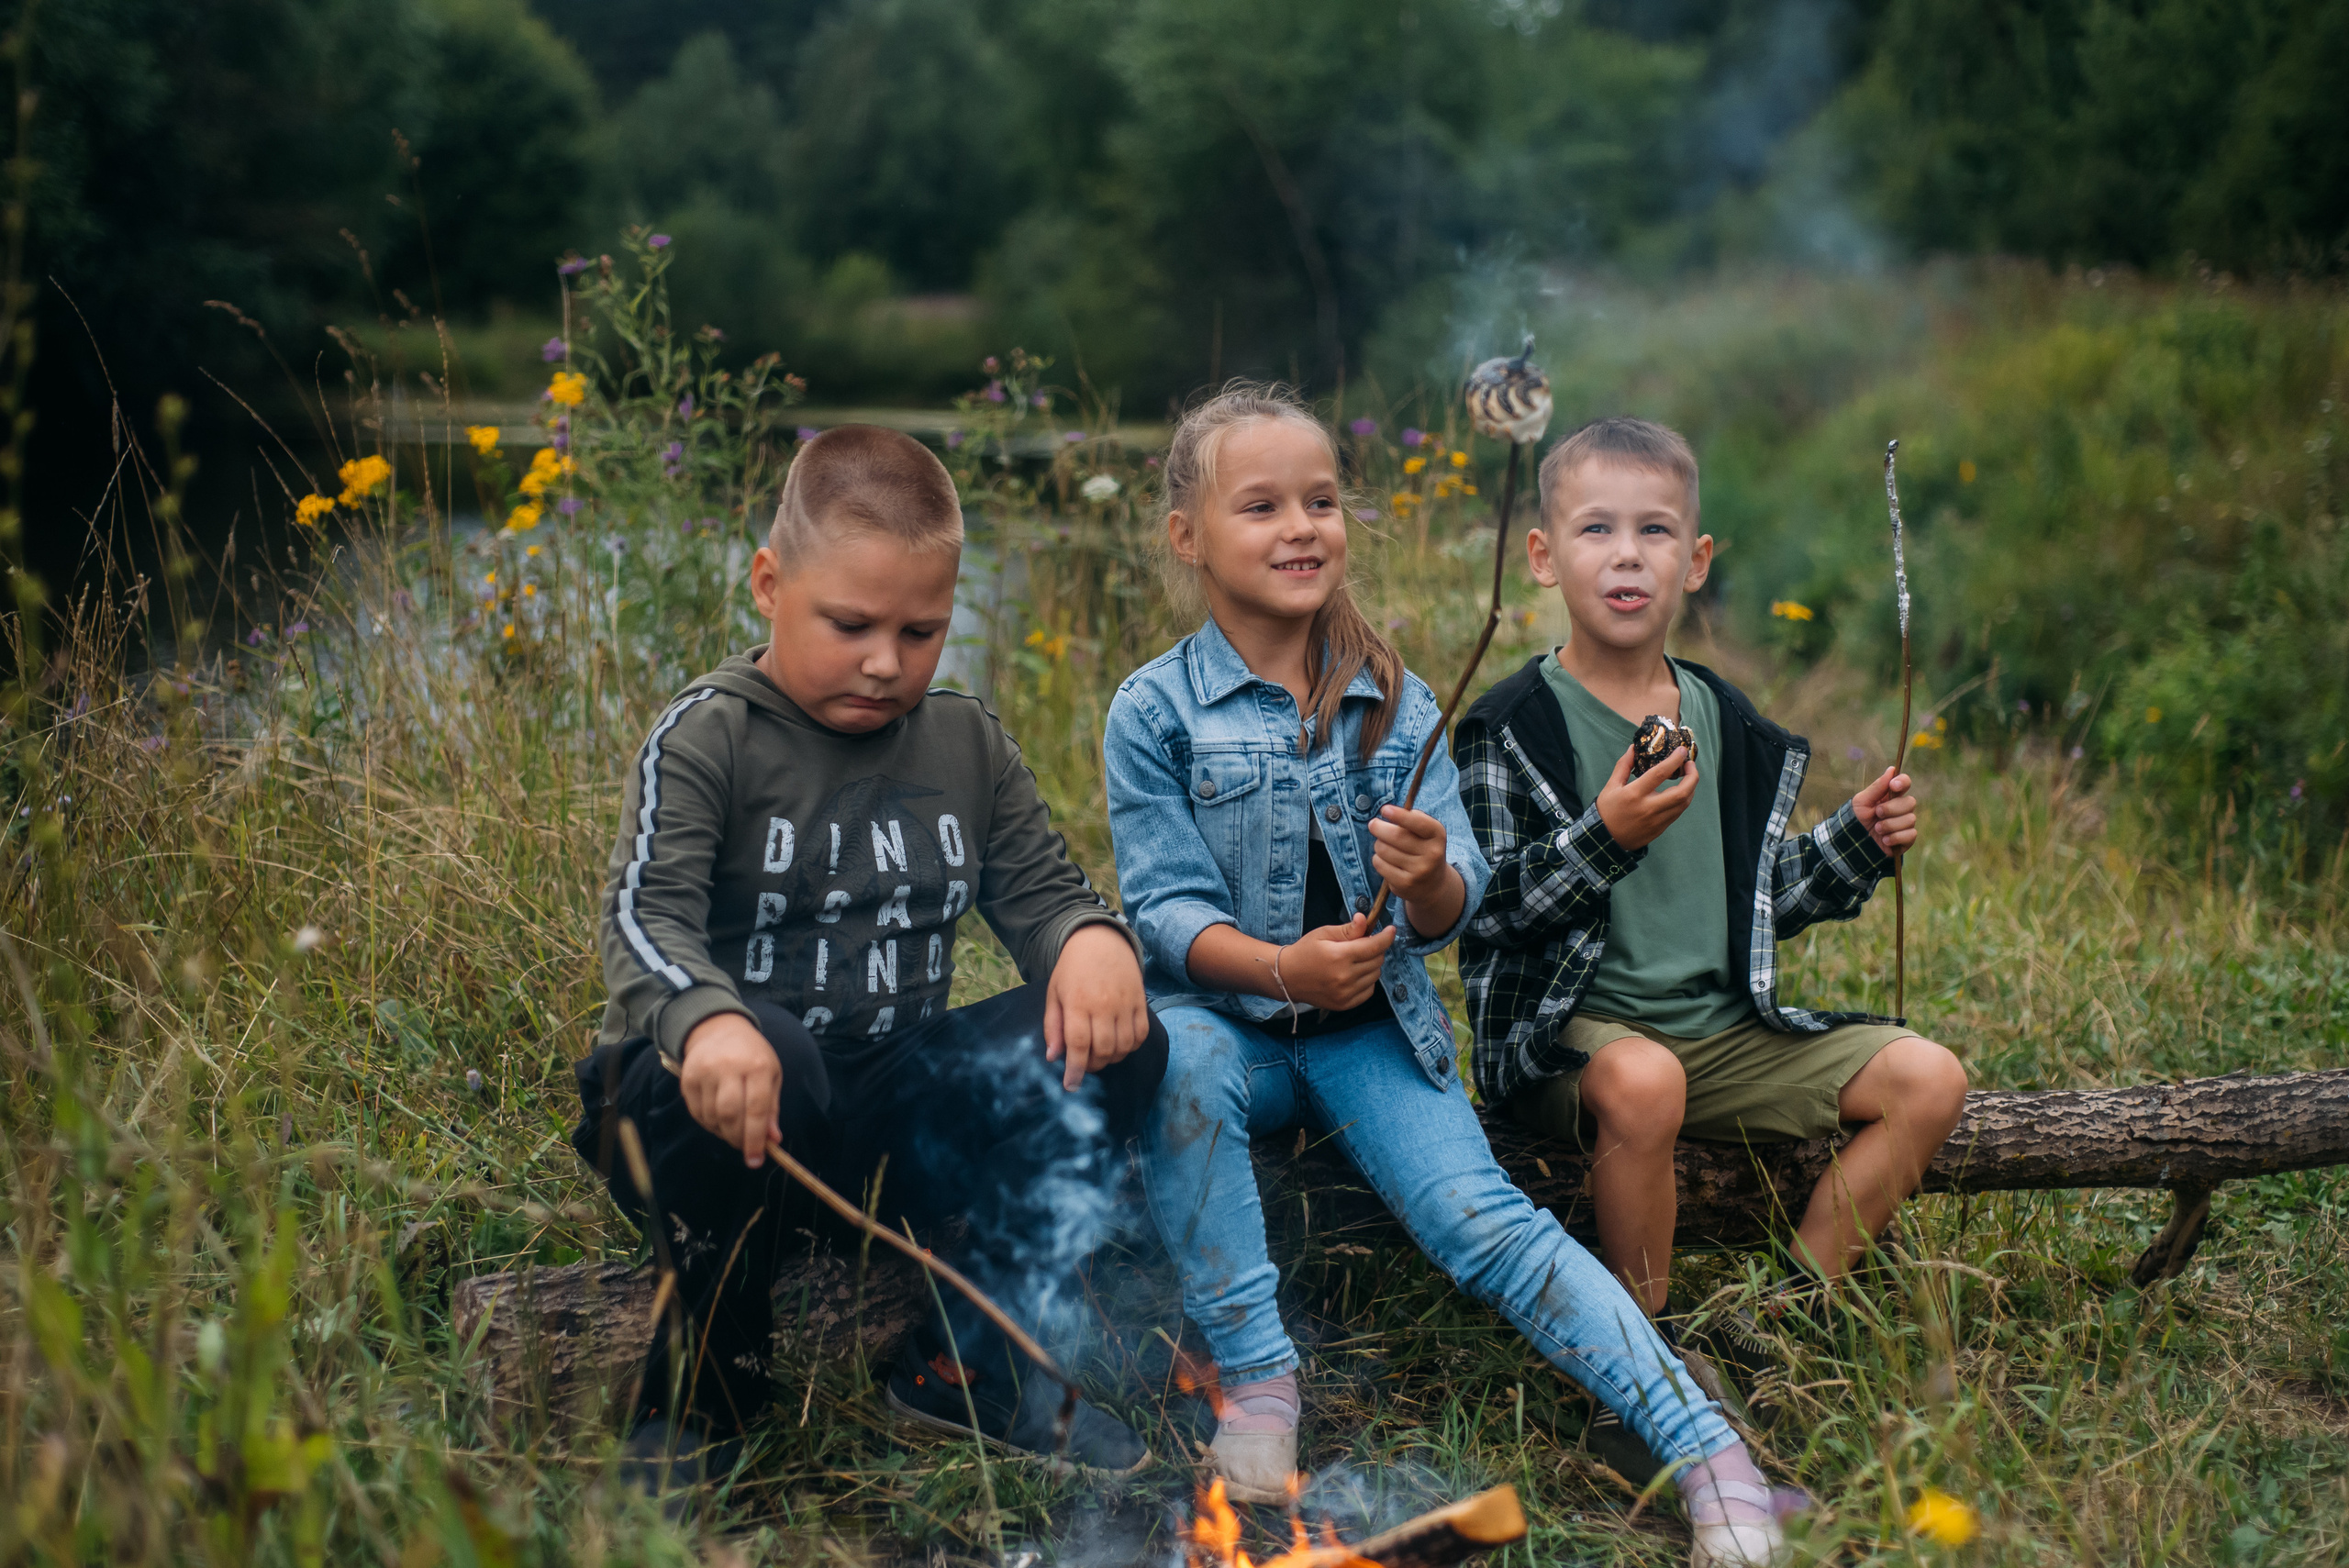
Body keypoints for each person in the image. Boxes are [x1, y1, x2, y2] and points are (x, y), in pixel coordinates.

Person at [1106, 385, 1789, 1568]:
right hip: (1233, 1023)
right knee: (1187, 1063)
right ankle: (1260, 1373)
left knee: (1484, 1222)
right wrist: (1281, 966)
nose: (1300, 525)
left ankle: (1705, 1446)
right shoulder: (1154, 708)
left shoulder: (1394, 697)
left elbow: (1456, 898)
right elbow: (1162, 912)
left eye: (1319, 500)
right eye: (1260, 504)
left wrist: (1423, 877)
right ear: (1187, 536)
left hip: (1373, 1035)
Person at [571, 424, 1167, 1487]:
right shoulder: (710, 735)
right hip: (694, 1110)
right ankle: (706, 1393)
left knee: (1119, 1034)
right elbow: (639, 917)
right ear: (768, 582)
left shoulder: (963, 741)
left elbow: (1043, 892)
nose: (885, 661)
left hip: (884, 1123)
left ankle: (962, 1363)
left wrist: (1088, 943)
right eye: (848, 624)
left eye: (921, 630)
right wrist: (707, 1019)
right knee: (776, 1047)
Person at [1454, 416, 1969, 1336]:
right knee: (1648, 1081)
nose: (1627, 555)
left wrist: (1853, 838)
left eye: (1653, 531)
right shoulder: (1510, 725)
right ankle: (1636, 1360)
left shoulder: (1719, 714)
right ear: (1542, 555)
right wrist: (1603, 836)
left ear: (1694, 562)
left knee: (1926, 1077)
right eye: (1596, 529)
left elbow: (1753, 896)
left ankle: (1785, 1315)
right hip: (1566, 1041)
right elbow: (1489, 911)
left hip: (1718, 1034)